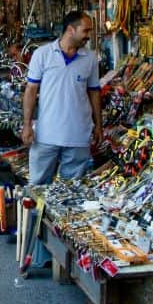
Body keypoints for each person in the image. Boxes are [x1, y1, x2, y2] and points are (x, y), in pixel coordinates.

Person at [20, 10, 102, 185]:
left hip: (78, 135)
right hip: (46, 134)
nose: (89, 35)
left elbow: (94, 92)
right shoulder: (42, 54)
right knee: (38, 187)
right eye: (86, 30)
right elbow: (31, 90)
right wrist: (27, 125)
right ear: (71, 30)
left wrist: (98, 125)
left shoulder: (90, 58)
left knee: (72, 190)